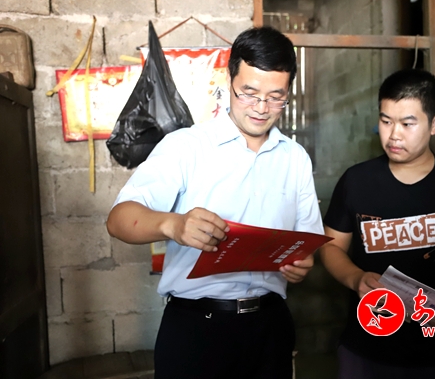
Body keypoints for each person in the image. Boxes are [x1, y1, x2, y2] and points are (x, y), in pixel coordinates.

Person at [106, 26, 323, 379]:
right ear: (229, 79)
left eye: (275, 97)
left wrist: (301, 263)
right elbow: (118, 220)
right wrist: (173, 225)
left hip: (270, 327)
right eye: (249, 93)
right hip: (196, 330)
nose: (261, 108)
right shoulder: (186, 147)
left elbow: (305, 245)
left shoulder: (295, 158)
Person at [320, 69, 435, 379]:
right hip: (364, 348)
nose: (394, 135)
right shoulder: (356, 181)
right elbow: (331, 246)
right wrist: (355, 277)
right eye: (386, 121)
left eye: (407, 124)